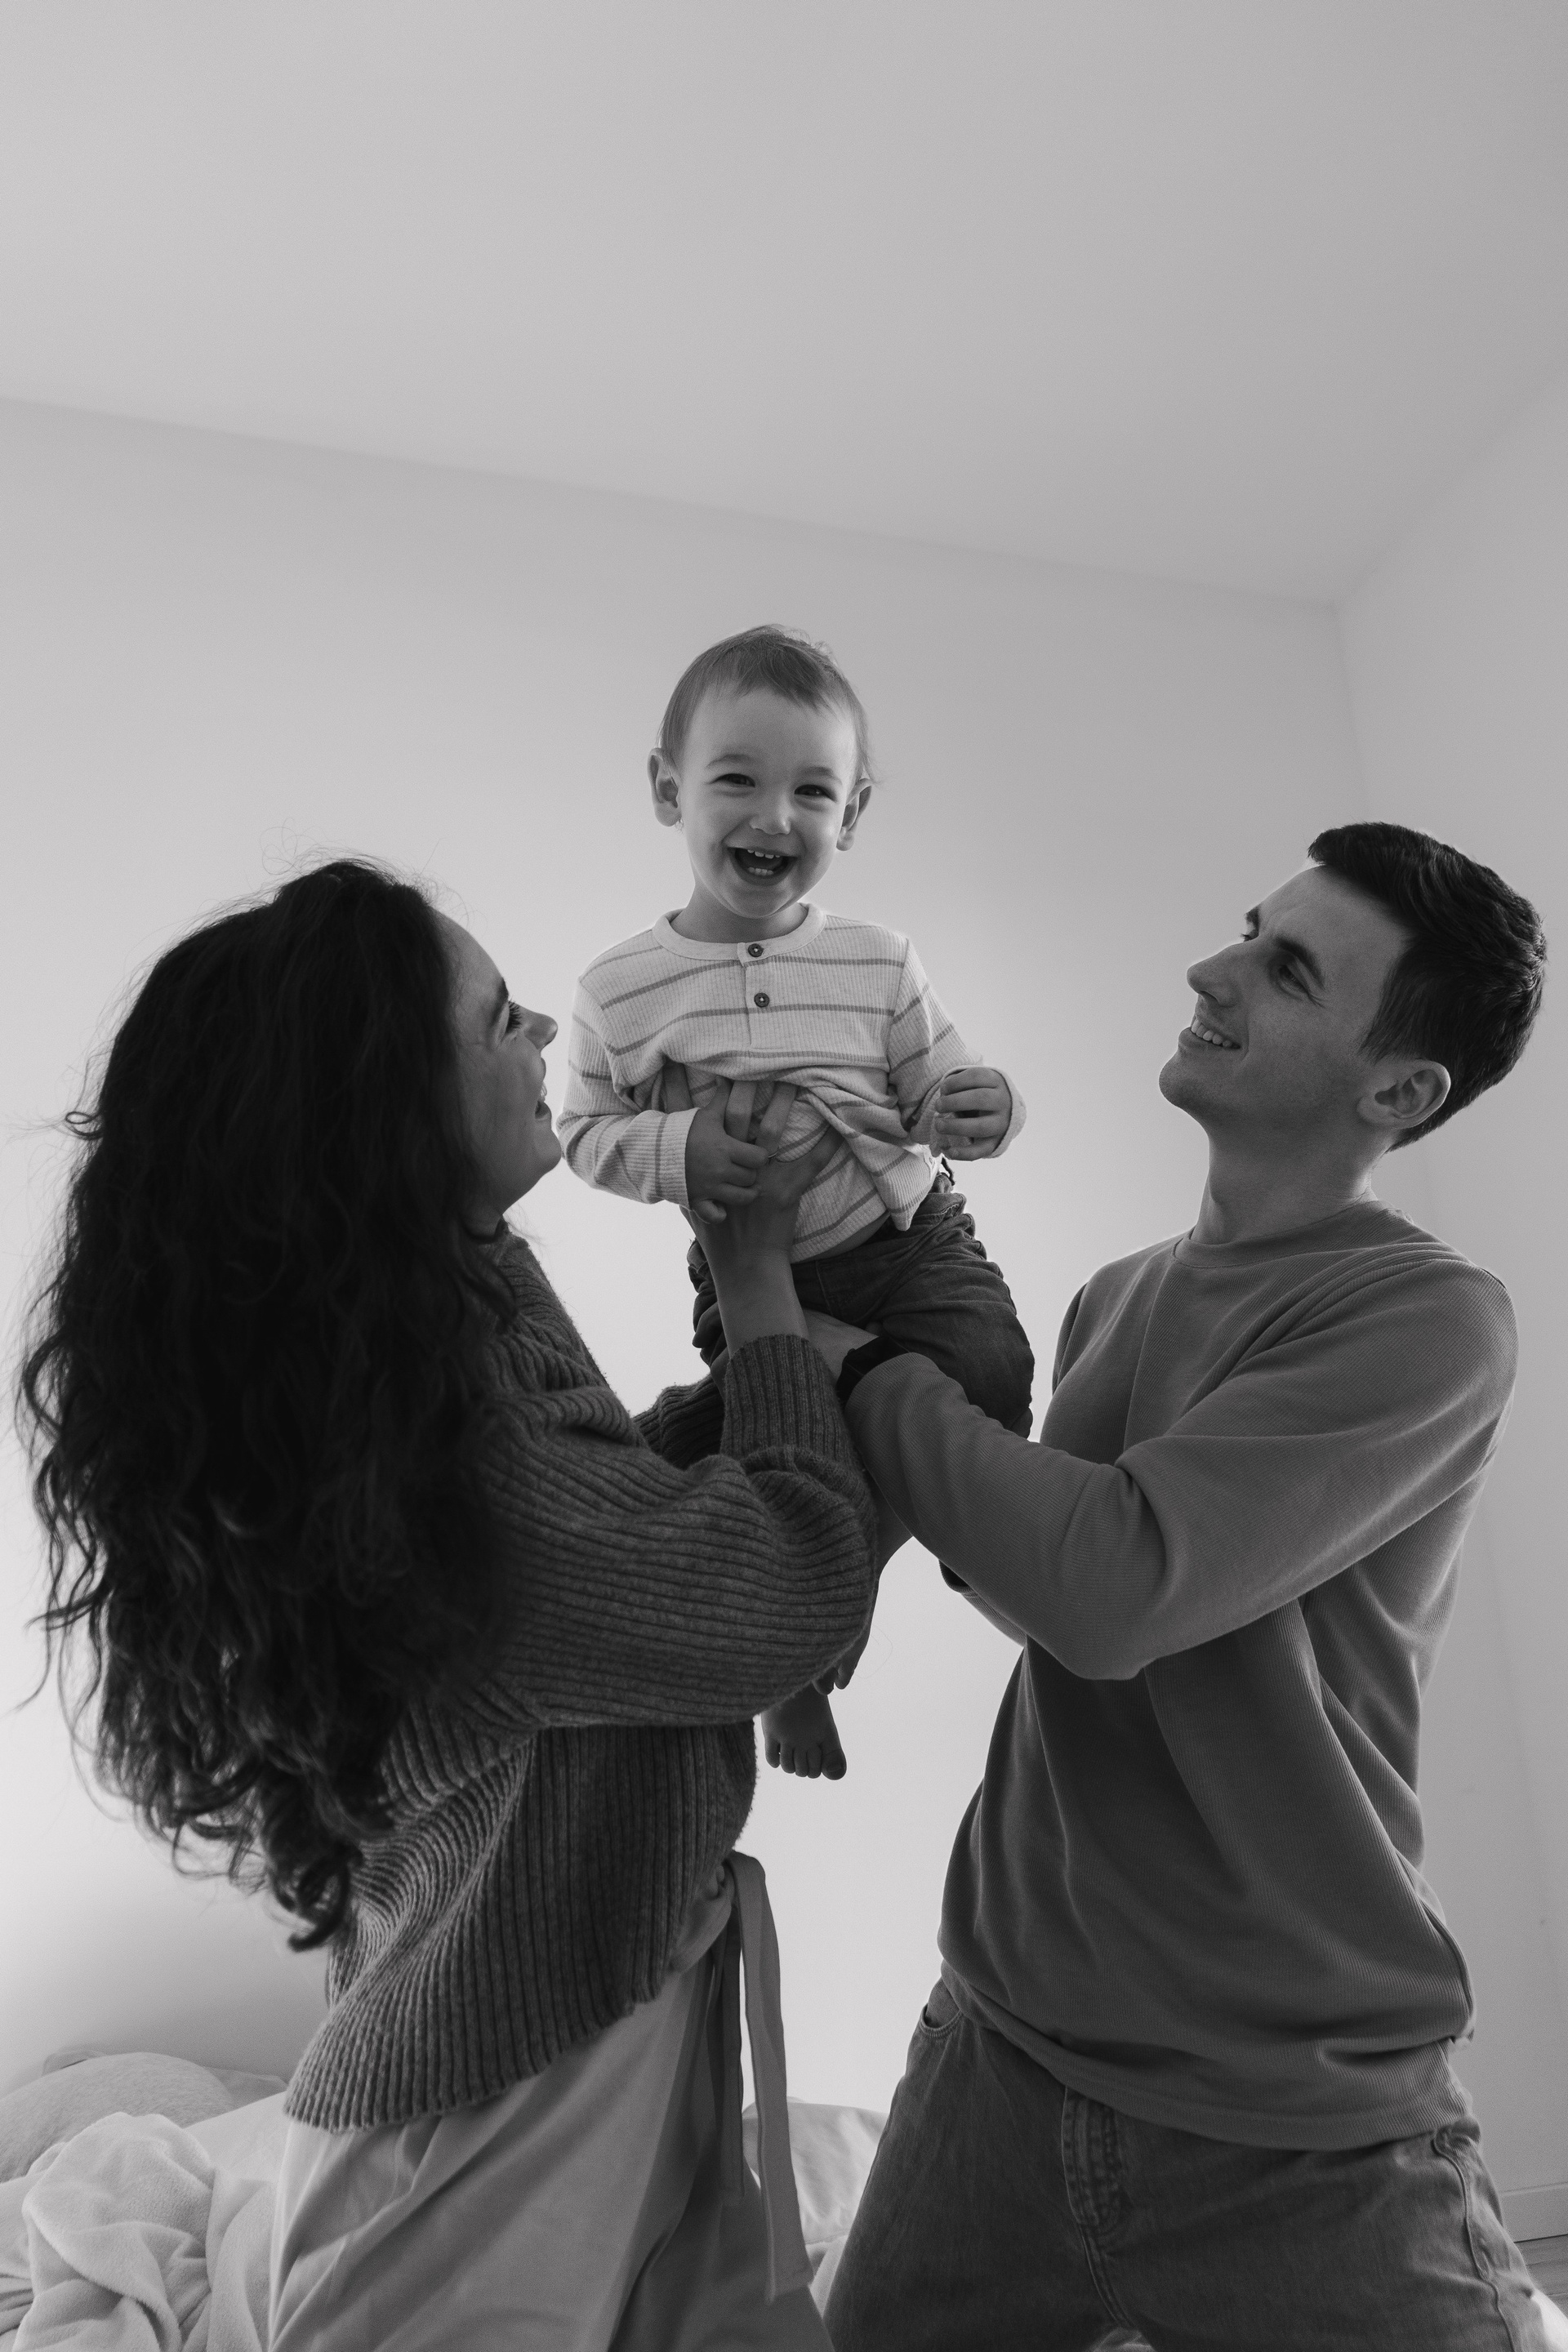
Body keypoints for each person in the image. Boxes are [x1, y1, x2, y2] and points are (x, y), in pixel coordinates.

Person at [17, 858, 878, 2352]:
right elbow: (784, 1588)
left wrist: (754, 1384)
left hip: (522, 2055)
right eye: (497, 1019)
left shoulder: (410, 1352)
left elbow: (602, 1512)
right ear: (383, 1116)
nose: (542, 1030)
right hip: (487, 2134)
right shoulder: (459, 1461)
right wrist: (758, 1296)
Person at [808, 822, 1553, 2350]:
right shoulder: (1121, 1293)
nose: (1214, 971)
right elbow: (1047, 1595)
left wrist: (863, 1375)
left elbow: (1112, 1589)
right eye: (1246, 932)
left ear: (1401, 1093)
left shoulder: (1429, 1317)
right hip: (998, 2052)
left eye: (1289, 971)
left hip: (1294, 2119)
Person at [559, 623, 1034, 1779]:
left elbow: (943, 1085)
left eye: (813, 792)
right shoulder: (620, 989)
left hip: (907, 1237)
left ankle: (842, 1612)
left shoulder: (879, 960)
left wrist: (987, 1107)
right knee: (789, 1456)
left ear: (851, 814)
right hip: (753, 1273)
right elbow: (581, 1134)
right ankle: (794, 1656)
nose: (775, 817)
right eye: (737, 780)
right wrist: (677, 1147)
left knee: (993, 1378)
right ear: (668, 790)